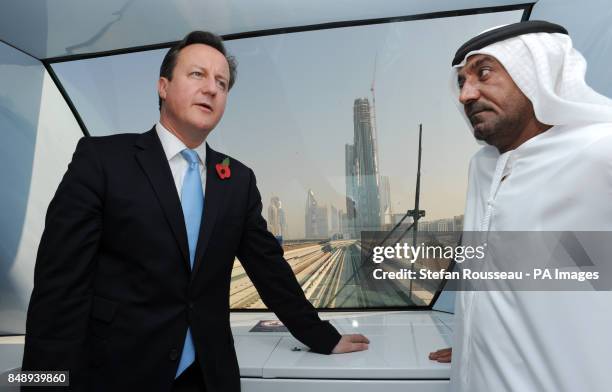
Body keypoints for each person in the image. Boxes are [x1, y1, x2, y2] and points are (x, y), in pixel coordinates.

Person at [21, 31, 369, 392]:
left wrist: (322, 337)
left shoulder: (237, 180)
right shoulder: (103, 160)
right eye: (197, 75)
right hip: (115, 373)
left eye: (222, 82)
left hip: (208, 375)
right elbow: (59, 287)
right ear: (163, 86)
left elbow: (270, 270)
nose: (212, 89)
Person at [429, 21, 612, 391]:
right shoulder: (482, 168)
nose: (466, 94)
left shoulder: (601, 149)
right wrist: (474, 339)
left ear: (538, 73)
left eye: (483, 73)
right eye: (462, 82)